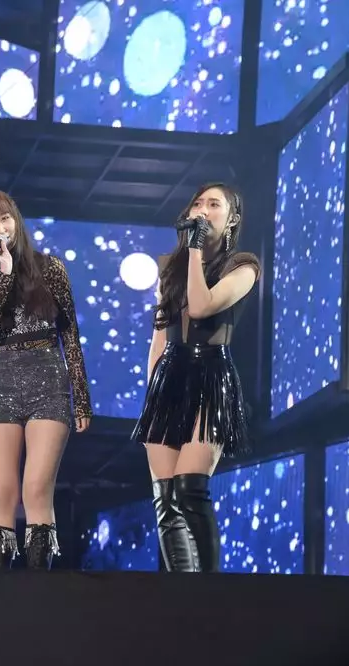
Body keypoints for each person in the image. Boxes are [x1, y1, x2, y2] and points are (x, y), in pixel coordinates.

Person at [132, 182, 260, 573]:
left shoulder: (243, 266)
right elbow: (160, 335)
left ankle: (209, 591)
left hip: (210, 376)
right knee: (166, 500)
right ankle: (180, 593)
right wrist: (151, 395)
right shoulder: (170, 269)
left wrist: (194, 250)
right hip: (169, 376)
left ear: (232, 218)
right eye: (198, 203)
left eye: (214, 204)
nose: (203, 210)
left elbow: (202, 307)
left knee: (189, 487)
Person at [0, 189, 92, 570]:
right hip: (2, 381)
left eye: (5, 218)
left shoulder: (50, 268)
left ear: (16, 220)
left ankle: (37, 591)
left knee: (36, 489)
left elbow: (70, 333)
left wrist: (81, 397)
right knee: (2, 493)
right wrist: (3, 276)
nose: (0, 228)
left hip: (48, 378)